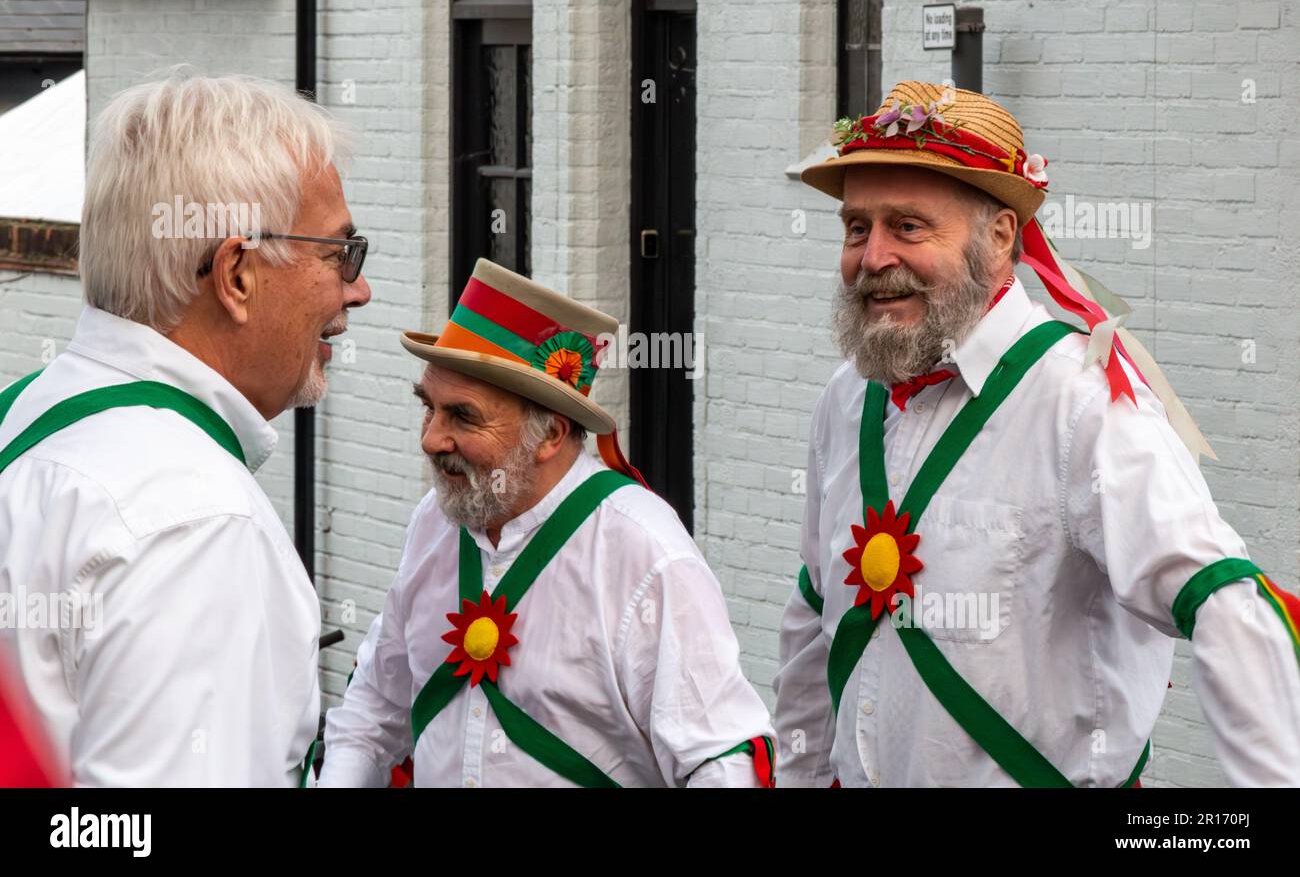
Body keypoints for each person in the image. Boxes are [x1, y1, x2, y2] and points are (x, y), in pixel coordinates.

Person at [774, 80, 1300, 787]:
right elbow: (814, 617)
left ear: (998, 240)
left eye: (908, 226)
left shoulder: (1082, 403)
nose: (872, 259)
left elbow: (1222, 597)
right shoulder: (846, 402)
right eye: (856, 228)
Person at [0, 70, 372, 785]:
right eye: (338, 254)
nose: (357, 287)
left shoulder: (27, 413)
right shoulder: (198, 522)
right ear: (237, 275)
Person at [320, 258, 775, 787]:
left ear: (552, 435)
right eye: (429, 408)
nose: (431, 439)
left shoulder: (645, 551)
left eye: (462, 416)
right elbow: (374, 710)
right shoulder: (436, 520)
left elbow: (721, 762)